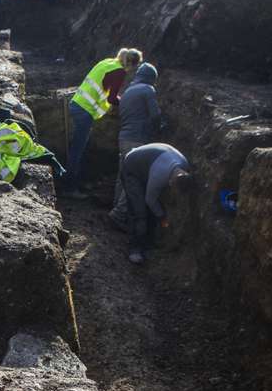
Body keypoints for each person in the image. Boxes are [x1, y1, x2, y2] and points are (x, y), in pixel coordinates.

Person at [63, 47, 143, 199]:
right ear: (132, 64)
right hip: (84, 111)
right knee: (77, 151)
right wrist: (126, 103)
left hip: (77, 104)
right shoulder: (119, 72)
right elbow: (112, 99)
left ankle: (78, 182)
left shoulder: (107, 62)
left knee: (81, 148)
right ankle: (70, 188)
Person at [110, 61, 161, 230]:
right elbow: (155, 116)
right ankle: (118, 215)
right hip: (138, 140)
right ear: (151, 79)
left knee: (122, 175)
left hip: (124, 137)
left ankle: (117, 207)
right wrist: (160, 128)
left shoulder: (127, 92)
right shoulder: (148, 90)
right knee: (133, 178)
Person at [121, 143, 191, 264]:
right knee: (139, 211)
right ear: (171, 181)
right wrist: (162, 216)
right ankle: (135, 249)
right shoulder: (160, 175)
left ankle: (149, 243)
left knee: (152, 208)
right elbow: (150, 199)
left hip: (148, 163)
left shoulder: (184, 164)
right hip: (131, 167)